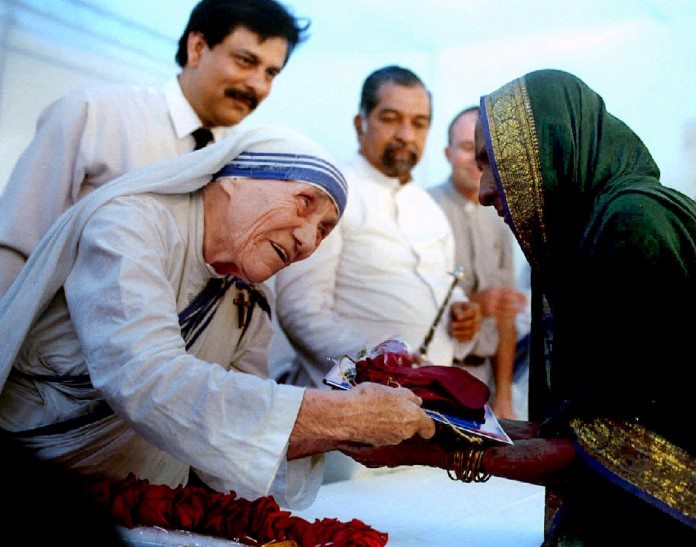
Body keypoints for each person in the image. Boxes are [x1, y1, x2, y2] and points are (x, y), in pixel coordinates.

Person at [345, 69, 696, 545]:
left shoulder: (632, 226)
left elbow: (606, 454)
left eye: (493, 163)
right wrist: (435, 430)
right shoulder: (608, 222)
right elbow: (589, 435)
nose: (483, 192)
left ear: (543, 152)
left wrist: (428, 452)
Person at [0, 126, 435, 510]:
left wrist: (347, 434)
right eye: (305, 203)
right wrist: (342, 417)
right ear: (235, 179)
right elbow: (145, 378)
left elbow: (233, 429)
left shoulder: (248, 297)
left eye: (324, 230)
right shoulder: (129, 224)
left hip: (152, 510)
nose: (306, 241)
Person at [0, 0, 308, 296]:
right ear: (197, 48)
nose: (259, 85)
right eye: (246, 61)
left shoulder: (245, 163)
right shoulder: (94, 113)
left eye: (271, 73)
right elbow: (15, 244)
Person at [273, 65, 482, 389]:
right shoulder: (331, 194)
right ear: (361, 124)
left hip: (428, 400)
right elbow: (302, 310)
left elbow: (443, 286)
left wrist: (460, 313)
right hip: (349, 400)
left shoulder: (429, 208)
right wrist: (378, 366)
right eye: (390, 118)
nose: (406, 135)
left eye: (419, 123)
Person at [429, 106, 526, 419]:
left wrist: (504, 398)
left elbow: (506, 319)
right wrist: (478, 305)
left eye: (482, 153)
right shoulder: (424, 209)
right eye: (466, 148)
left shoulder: (500, 216)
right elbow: (414, 305)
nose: (474, 161)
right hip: (436, 377)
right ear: (448, 153)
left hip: (483, 380)